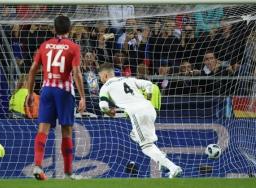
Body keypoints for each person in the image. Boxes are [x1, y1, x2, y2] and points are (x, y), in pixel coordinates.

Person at [26, 15, 86, 180]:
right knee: (66, 131)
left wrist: (30, 93)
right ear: (70, 29)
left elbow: (32, 70)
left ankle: (38, 166)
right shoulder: (73, 47)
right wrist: (82, 96)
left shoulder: (44, 45)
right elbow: (76, 73)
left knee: (43, 129)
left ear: (54, 29)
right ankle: (68, 173)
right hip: (64, 92)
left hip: (46, 90)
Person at [98, 63, 182, 178]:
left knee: (146, 146)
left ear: (105, 75)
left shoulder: (105, 87)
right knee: (134, 135)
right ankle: (159, 157)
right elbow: (149, 84)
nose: (100, 79)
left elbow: (103, 106)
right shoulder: (129, 79)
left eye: (100, 76)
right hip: (150, 109)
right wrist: (147, 99)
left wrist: (109, 112)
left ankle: (173, 167)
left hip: (138, 113)